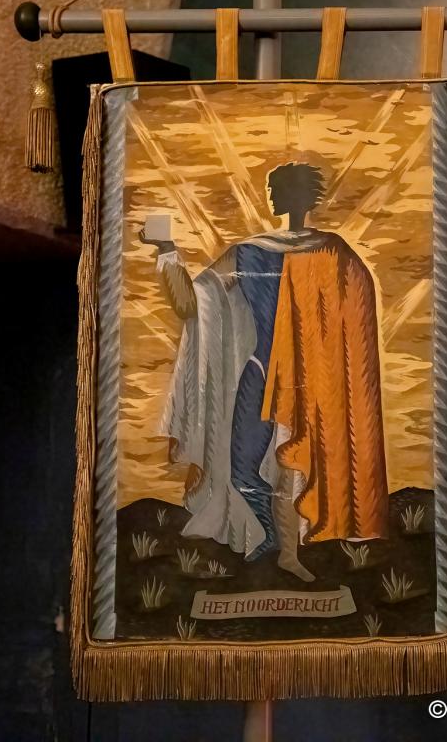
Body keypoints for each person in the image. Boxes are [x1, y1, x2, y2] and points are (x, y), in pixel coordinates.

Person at [143, 163, 389, 582]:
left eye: (278, 190)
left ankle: (290, 554)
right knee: (243, 465)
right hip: (258, 376)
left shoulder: (334, 253)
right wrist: (166, 250)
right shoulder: (250, 251)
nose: (272, 197)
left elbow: (354, 325)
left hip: (312, 382)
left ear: (299, 197)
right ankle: (263, 539)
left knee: (293, 467)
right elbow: (191, 306)